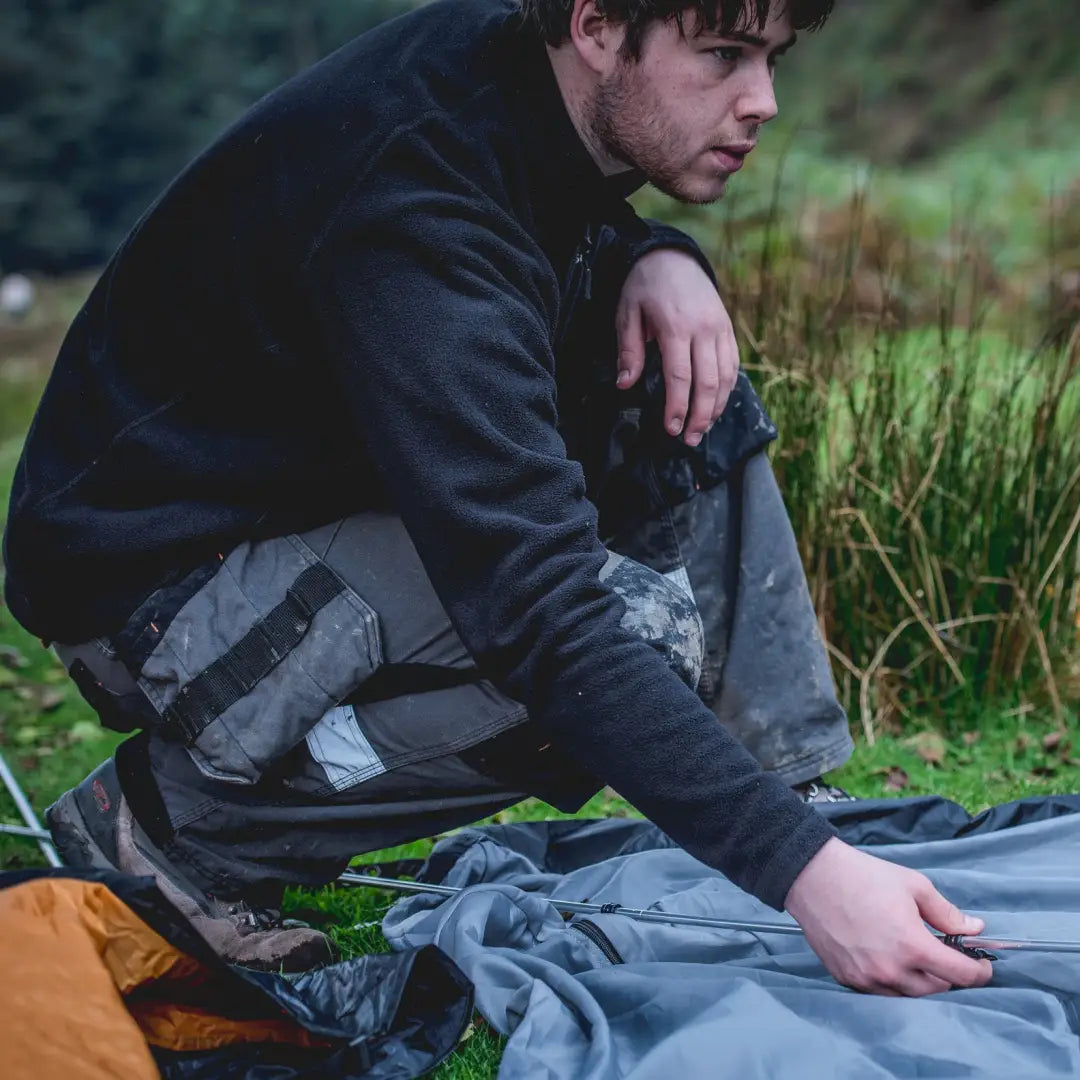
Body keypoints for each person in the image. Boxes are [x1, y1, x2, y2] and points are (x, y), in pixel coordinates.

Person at [3, 0, 992, 995]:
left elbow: (541, 198)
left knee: (688, 375)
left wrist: (653, 255)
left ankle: (806, 803)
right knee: (617, 643)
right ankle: (170, 829)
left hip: (315, 516)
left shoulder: (518, 65)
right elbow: (542, 612)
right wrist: (805, 885)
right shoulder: (412, 205)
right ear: (599, 26)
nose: (763, 102)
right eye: (725, 56)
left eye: (773, 59)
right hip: (161, 589)